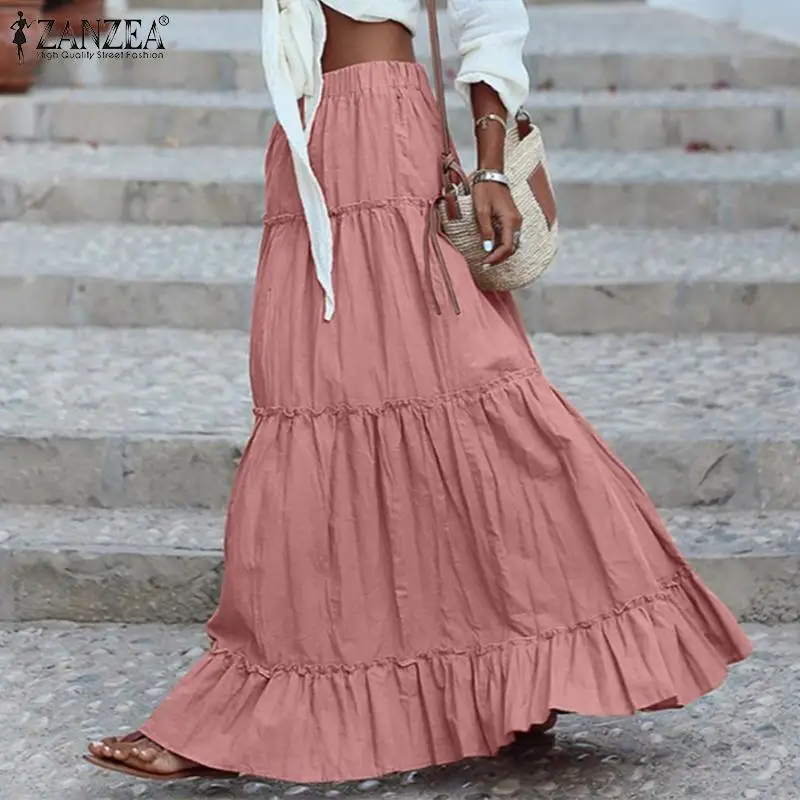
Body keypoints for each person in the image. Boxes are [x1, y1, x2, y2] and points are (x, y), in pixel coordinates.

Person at [84, 0, 752, 784]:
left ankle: (526, 669)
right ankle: (317, 700)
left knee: (463, 396)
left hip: (387, 138)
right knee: (307, 408)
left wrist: (491, 166)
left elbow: (488, 18)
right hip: (308, 141)